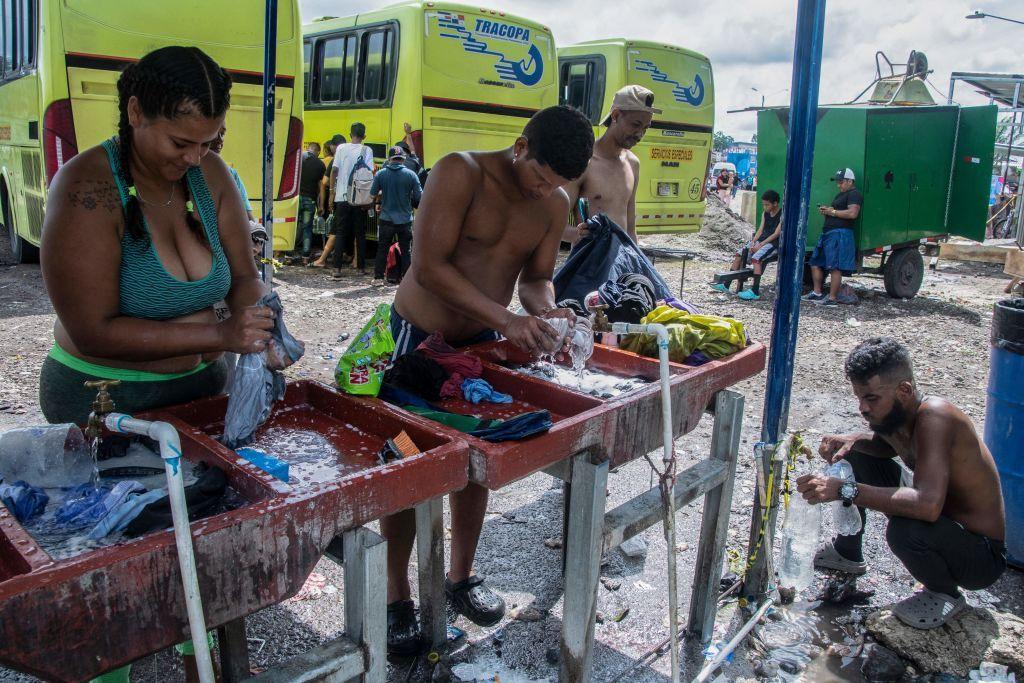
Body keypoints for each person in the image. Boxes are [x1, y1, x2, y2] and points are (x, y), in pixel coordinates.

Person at [384, 105, 594, 655]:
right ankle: (395, 596)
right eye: (539, 178)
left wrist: (548, 311)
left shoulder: (553, 203)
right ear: (521, 146)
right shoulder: (462, 172)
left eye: (556, 186)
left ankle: (461, 577)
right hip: (418, 338)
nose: (541, 192)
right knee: (408, 462)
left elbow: (538, 279)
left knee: (478, 459)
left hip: (478, 347)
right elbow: (427, 266)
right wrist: (508, 320)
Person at [797, 338, 1005, 630]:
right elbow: (889, 447)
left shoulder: (936, 417)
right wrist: (853, 440)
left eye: (871, 399)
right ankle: (847, 552)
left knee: (905, 531)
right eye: (859, 398)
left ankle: (944, 594)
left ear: (904, 390)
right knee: (856, 455)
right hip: (944, 521)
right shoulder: (900, 414)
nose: (863, 408)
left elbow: (927, 506)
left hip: (980, 555)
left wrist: (843, 490)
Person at [562, 85, 659, 245]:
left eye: (645, 128)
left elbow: (630, 230)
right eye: (635, 125)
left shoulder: (633, 164)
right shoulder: (585, 162)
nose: (640, 134)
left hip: (621, 263)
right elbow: (555, 224)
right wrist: (576, 234)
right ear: (615, 115)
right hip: (589, 265)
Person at [803, 168, 861, 307]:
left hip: (839, 233)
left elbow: (853, 213)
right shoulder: (840, 194)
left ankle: (832, 298)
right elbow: (838, 211)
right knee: (815, 262)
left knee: (834, 266)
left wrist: (833, 212)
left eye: (841, 182)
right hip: (828, 232)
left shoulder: (854, 194)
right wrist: (828, 211)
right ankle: (817, 292)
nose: (838, 185)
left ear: (849, 181)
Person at [711, 189, 781, 300]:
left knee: (756, 259)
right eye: (763, 205)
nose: (765, 207)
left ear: (775, 203)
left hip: (772, 244)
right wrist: (753, 242)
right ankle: (726, 284)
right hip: (761, 241)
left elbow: (776, 234)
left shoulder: (782, 215)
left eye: (767, 205)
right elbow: (760, 230)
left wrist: (760, 245)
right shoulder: (765, 214)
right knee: (739, 254)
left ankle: (755, 291)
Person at [370, 146, 422, 285]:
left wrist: (382, 194)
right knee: (406, 250)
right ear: (403, 159)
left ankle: (378, 278)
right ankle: (407, 279)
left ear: (389, 159)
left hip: (386, 219)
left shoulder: (381, 174)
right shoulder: (411, 175)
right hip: (405, 220)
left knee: (382, 249)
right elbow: (419, 196)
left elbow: (372, 194)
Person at [328, 123, 374, 276]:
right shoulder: (367, 150)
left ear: (350, 134)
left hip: (342, 196)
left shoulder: (341, 148)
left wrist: (331, 193)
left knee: (341, 233)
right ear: (364, 136)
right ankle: (360, 268)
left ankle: (336, 269)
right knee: (360, 233)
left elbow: (334, 170)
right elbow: (369, 173)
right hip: (359, 198)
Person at [311, 134, 345, 268]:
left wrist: (327, 199)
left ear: (332, 146)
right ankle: (353, 260)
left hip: (338, 200)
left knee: (334, 231)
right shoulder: (354, 157)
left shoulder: (333, 161)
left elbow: (323, 182)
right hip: (354, 200)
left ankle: (323, 259)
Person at [297, 141, 326, 259]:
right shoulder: (320, 164)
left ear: (308, 149)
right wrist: (321, 205)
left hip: (295, 199)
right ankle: (305, 256)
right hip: (310, 200)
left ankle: (287, 255)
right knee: (307, 228)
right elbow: (321, 187)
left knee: (294, 227)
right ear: (318, 152)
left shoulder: (298, 160)